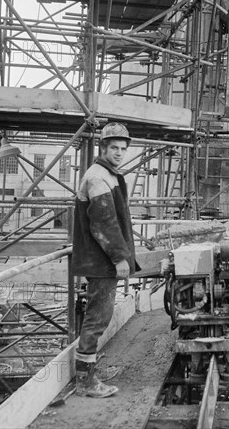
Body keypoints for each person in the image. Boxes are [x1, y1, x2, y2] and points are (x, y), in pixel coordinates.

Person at [71, 122, 139, 398]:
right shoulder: (99, 177)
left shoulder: (107, 174)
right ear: (103, 147)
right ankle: (85, 382)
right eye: (114, 148)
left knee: (100, 315)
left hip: (101, 259)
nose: (120, 153)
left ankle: (89, 373)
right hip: (101, 261)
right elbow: (104, 224)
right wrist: (120, 258)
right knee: (97, 318)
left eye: (123, 149)